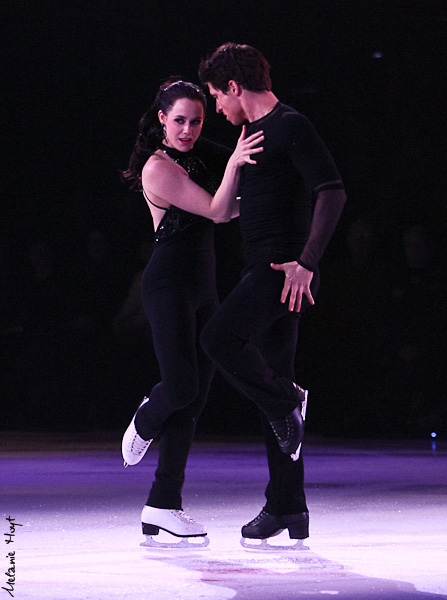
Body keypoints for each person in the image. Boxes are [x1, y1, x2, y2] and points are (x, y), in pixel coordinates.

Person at [198, 43, 347, 540]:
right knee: (273, 385)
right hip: (260, 268)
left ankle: (288, 401)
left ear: (235, 87)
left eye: (218, 95)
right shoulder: (250, 134)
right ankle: (288, 507)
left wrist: (307, 262)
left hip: (282, 271)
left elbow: (332, 190)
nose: (217, 107)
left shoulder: (290, 125)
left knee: (218, 339)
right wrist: (233, 164)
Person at [120, 78, 264, 540]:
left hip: (203, 282)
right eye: (179, 120)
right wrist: (238, 168)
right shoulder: (157, 168)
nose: (188, 129)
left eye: (196, 121)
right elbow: (219, 210)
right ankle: (145, 417)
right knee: (180, 385)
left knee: (197, 395)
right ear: (162, 118)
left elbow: (240, 182)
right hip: (167, 283)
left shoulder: (203, 154)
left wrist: (259, 180)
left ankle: (163, 503)